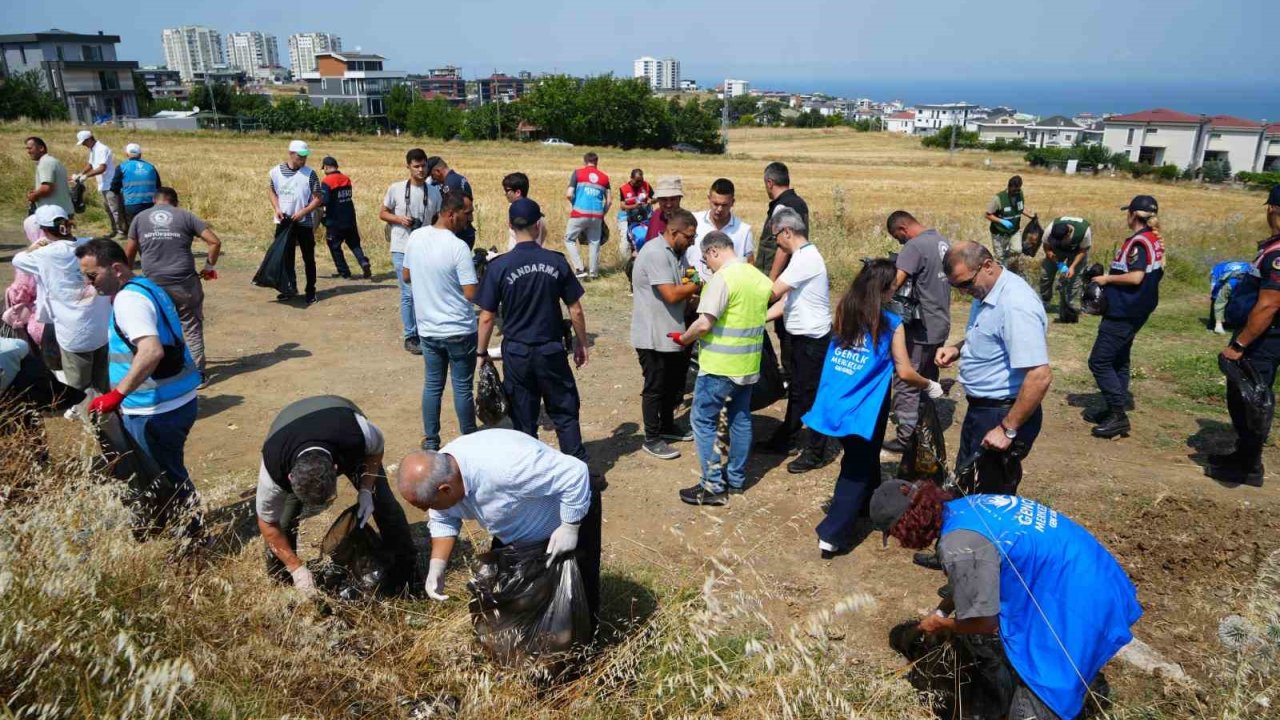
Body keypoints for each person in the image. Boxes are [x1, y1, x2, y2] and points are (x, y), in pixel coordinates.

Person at [871, 480, 1141, 720]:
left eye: (895, 534)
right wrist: (943, 610)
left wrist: (941, 626)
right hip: (1098, 576)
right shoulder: (965, 508)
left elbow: (984, 624)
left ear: (905, 525)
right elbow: (977, 576)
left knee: (1033, 704)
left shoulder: (957, 545)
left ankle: (1065, 688)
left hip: (1077, 603)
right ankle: (1079, 674)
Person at [396, 428, 603, 632]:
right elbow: (443, 519)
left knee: (576, 594)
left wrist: (570, 526)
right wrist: (437, 566)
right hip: (515, 525)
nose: (427, 511)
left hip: (570, 512)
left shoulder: (507, 466)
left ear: (445, 490)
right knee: (510, 596)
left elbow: (575, 473)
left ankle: (583, 642)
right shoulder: (442, 472)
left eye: (427, 505)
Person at [803, 260, 944, 554]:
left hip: (834, 399)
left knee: (864, 456)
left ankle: (868, 504)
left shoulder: (845, 311)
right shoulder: (891, 324)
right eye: (894, 286)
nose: (897, 290)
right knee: (856, 469)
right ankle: (832, 533)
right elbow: (904, 371)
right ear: (886, 289)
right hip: (862, 407)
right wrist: (929, 384)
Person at [79, 238, 203, 536]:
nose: (89, 282)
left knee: (165, 476)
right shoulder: (146, 285)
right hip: (178, 397)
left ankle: (193, 536)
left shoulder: (128, 301)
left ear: (116, 269)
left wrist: (117, 394)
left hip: (155, 408)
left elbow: (151, 351)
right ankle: (179, 528)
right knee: (168, 469)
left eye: (92, 275)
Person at [255, 395, 417, 593]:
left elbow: (376, 451)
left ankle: (406, 570)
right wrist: (295, 567)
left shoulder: (357, 433)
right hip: (287, 427)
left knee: (383, 502)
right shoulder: (273, 467)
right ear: (290, 477)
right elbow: (268, 524)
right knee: (284, 521)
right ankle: (283, 585)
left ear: (336, 468)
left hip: (337, 415)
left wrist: (366, 489)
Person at [477, 198, 590, 461]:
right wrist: (582, 343)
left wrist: (481, 353)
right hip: (550, 350)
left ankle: (530, 469)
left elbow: (486, 317)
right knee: (564, 410)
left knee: (523, 417)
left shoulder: (499, 266)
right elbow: (575, 309)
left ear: (510, 225)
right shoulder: (556, 262)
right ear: (538, 225)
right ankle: (577, 468)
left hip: (517, 353)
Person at [670, 231, 771, 505]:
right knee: (740, 419)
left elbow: (704, 323)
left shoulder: (723, 279)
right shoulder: (759, 278)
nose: (707, 265)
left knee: (703, 421)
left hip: (720, 366)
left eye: (706, 260)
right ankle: (736, 479)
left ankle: (713, 485)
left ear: (713, 251)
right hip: (748, 365)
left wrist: (684, 339)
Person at [935, 242, 1051, 474]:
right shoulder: (987, 290)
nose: (963, 292)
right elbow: (991, 334)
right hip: (982, 411)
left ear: (987, 265)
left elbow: (1040, 376)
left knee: (988, 489)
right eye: (955, 286)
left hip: (1001, 413)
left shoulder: (1016, 305)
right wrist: (957, 349)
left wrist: (1007, 429)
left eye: (966, 284)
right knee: (967, 482)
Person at [1211, 186, 1280, 486]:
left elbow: (1269, 304)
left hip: (1262, 340)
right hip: (1260, 336)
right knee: (1243, 398)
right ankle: (1242, 455)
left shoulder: (1278, 254)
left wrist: (1240, 344)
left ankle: (1249, 467)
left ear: (1271, 209)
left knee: (1251, 401)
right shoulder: (1273, 247)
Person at [756, 208, 833, 474]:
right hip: (801, 338)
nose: (776, 242)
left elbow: (772, 293)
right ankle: (785, 437)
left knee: (811, 394)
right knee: (799, 391)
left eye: (776, 236)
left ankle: (815, 451)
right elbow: (786, 302)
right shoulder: (801, 258)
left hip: (812, 340)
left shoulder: (805, 259)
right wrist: (757, 320)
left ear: (787, 232)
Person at [403, 191, 479, 450]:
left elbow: (406, 275)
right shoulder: (458, 247)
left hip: (428, 329)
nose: (470, 219)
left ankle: (431, 441)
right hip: (459, 329)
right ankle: (469, 440)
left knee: (433, 385)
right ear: (450, 214)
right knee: (462, 387)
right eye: (467, 214)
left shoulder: (416, 237)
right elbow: (471, 293)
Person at [12, 206, 111, 400]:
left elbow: (18, 260)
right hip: (101, 328)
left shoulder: (44, 255)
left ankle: (84, 414)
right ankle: (106, 411)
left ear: (43, 230)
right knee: (102, 381)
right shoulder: (93, 245)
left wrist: (34, 247)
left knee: (78, 387)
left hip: (73, 332)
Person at [1086, 196, 1165, 439]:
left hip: (1124, 310)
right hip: (1136, 309)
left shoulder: (1139, 242)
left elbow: (1136, 277)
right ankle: (1114, 409)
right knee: (1119, 359)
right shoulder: (1153, 239)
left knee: (1099, 361)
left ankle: (1118, 415)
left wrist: (1106, 279)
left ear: (1132, 215)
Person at [124, 186, 221, 377]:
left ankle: (162, 371)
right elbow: (215, 242)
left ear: (154, 201)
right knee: (191, 326)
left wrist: (127, 278)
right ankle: (197, 374)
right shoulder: (186, 216)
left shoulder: (140, 218)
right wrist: (209, 268)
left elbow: (130, 252)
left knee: (156, 327)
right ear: (175, 202)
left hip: (153, 284)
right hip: (184, 282)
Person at [631, 207, 701, 460]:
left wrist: (692, 287)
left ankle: (668, 426)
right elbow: (671, 294)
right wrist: (698, 285)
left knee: (672, 384)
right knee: (655, 387)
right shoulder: (655, 253)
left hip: (672, 331)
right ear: (673, 231)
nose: (692, 241)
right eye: (689, 236)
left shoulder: (677, 253)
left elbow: (684, 282)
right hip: (652, 334)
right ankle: (652, 438)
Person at [885, 211, 952, 454]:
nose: (899, 242)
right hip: (940, 322)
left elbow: (895, 283)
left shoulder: (914, 246)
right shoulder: (941, 241)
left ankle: (906, 437)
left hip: (921, 326)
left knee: (908, 379)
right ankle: (924, 426)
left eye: (898, 237)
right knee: (927, 375)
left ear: (902, 229)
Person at [380, 148, 442, 355]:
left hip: (425, 247)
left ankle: (426, 331)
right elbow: (383, 213)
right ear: (408, 166)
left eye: (423, 166)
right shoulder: (396, 189)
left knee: (424, 291)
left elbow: (437, 219)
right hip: (401, 247)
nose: (420, 170)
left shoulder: (434, 192)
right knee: (408, 293)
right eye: (416, 166)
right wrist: (400, 219)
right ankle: (411, 335)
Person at [758, 162, 810, 385]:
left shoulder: (782, 207)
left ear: (769, 182)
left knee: (783, 327)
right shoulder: (799, 203)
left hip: (781, 277)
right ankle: (792, 372)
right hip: (793, 274)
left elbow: (782, 246)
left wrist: (772, 279)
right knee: (787, 324)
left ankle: (789, 374)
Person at [268, 140, 323, 304]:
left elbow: (318, 198)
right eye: (300, 156)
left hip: (304, 222)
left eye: (305, 156)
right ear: (291, 154)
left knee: (308, 258)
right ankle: (288, 288)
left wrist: (304, 212)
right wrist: (277, 208)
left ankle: (310, 291)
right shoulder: (275, 172)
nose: (303, 160)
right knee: (286, 257)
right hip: (284, 222)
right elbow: (271, 191)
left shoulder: (310, 174)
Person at [687, 178, 754, 279]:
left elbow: (749, 265)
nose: (719, 209)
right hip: (693, 285)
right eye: (716, 204)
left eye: (724, 205)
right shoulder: (693, 221)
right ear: (709, 198)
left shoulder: (744, 231)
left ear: (732, 202)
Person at [317, 156, 371, 280]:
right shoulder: (346, 179)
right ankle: (363, 261)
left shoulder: (327, 181)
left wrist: (313, 205)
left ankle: (344, 272)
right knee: (354, 244)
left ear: (326, 167)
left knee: (334, 246)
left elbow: (325, 201)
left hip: (335, 221)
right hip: (350, 218)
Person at [562, 152, 612, 279]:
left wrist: (575, 203)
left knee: (569, 239)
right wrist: (602, 214)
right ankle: (593, 273)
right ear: (597, 162)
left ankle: (579, 269)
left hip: (579, 213)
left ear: (585, 162)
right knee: (594, 243)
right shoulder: (605, 178)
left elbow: (569, 194)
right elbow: (609, 201)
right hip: (597, 215)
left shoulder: (577, 173)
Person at [1038, 216, 1092, 323]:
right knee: (1045, 274)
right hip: (1057, 251)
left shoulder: (1084, 232)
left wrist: (1072, 267)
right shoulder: (1050, 230)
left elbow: (1083, 251)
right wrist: (1059, 263)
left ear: (1068, 234)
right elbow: (1046, 247)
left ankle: (1069, 306)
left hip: (1077, 251)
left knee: (1075, 278)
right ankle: (1045, 301)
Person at [74, 130, 123, 239]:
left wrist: (86, 176)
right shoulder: (93, 149)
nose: (83, 145)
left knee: (115, 209)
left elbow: (102, 168)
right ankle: (114, 230)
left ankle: (121, 232)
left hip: (110, 183)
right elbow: (91, 165)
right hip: (103, 184)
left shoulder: (101, 149)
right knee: (108, 209)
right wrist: (81, 173)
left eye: (84, 142)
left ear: (89, 139)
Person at [984, 175, 1033, 271]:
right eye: (1014, 190)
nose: (1016, 193)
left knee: (1017, 250)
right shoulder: (999, 198)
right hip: (999, 232)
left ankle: (1007, 261)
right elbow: (988, 215)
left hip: (1014, 230)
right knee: (999, 257)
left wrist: (1030, 215)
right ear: (1009, 187)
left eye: (1018, 190)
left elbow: (1020, 208)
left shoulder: (1019, 194)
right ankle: (1000, 271)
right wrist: (1001, 221)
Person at [426, 156, 475, 248]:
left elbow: (450, 211)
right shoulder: (457, 178)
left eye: (432, 176)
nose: (434, 179)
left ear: (437, 171)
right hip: (465, 230)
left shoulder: (449, 184)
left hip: (459, 232)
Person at [109, 143, 161, 228]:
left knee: (134, 229)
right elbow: (158, 186)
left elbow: (114, 187)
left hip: (131, 205)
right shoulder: (151, 167)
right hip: (150, 205)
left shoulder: (122, 167)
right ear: (140, 154)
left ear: (127, 154)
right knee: (149, 228)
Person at [25, 136, 74, 218]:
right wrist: (37, 192)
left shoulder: (45, 162)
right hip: (63, 210)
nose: (28, 152)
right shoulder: (53, 161)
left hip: (53, 215)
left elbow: (46, 188)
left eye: (30, 148)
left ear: (41, 148)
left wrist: (33, 196)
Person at [501, 172, 546, 250]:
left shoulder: (519, 212)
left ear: (518, 192)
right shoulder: (534, 210)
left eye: (507, 190)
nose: (504, 193)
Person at [620, 168, 655, 253]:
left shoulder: (646, 185)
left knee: (648, 237)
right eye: (637, 181)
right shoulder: (624, 189)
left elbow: (655, 198)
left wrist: (651, 201)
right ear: (631, 178)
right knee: (629, 241)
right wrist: (634, 206)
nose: (640, 183)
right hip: (629, 218)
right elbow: (622, 206)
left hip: (646, 217)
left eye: (641, 181)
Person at [643, 176, 685, 245]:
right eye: (664, 199)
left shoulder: (686, 220)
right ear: (658, 200)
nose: (668, 204)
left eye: (673, 199)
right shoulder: (656, 215)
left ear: (679, 199)